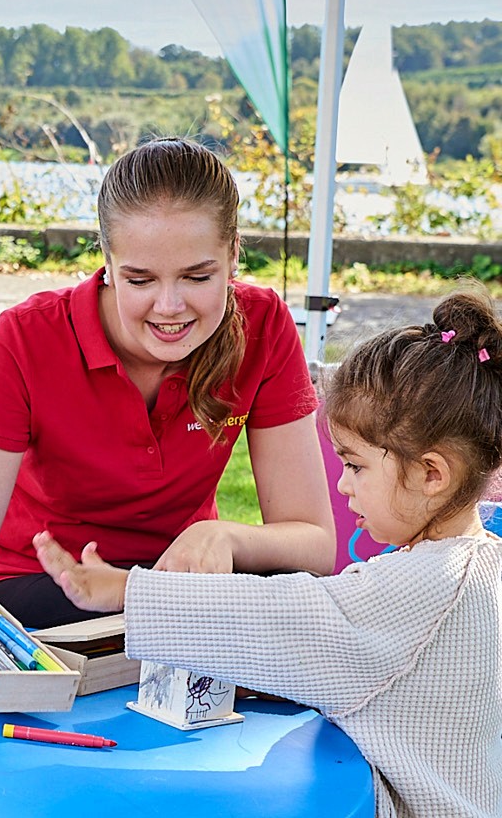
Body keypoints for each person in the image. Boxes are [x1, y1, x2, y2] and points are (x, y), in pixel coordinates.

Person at [35, 287, 502, 818]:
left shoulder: (420, 585)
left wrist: (126, 589)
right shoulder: (483, 560)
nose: (343, 487)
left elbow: (285, 618)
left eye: (356, 466)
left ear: (431, 474)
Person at [0, 137, 334, 628]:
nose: (168, 307)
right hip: (42, 589)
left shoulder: (263, 323)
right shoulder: (24, 339)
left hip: (180, 588)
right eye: (140, 280)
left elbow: (312, 545)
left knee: (305, 611)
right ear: (108, 264)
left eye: (198, 277)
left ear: (233, 257)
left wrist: (226, 537)